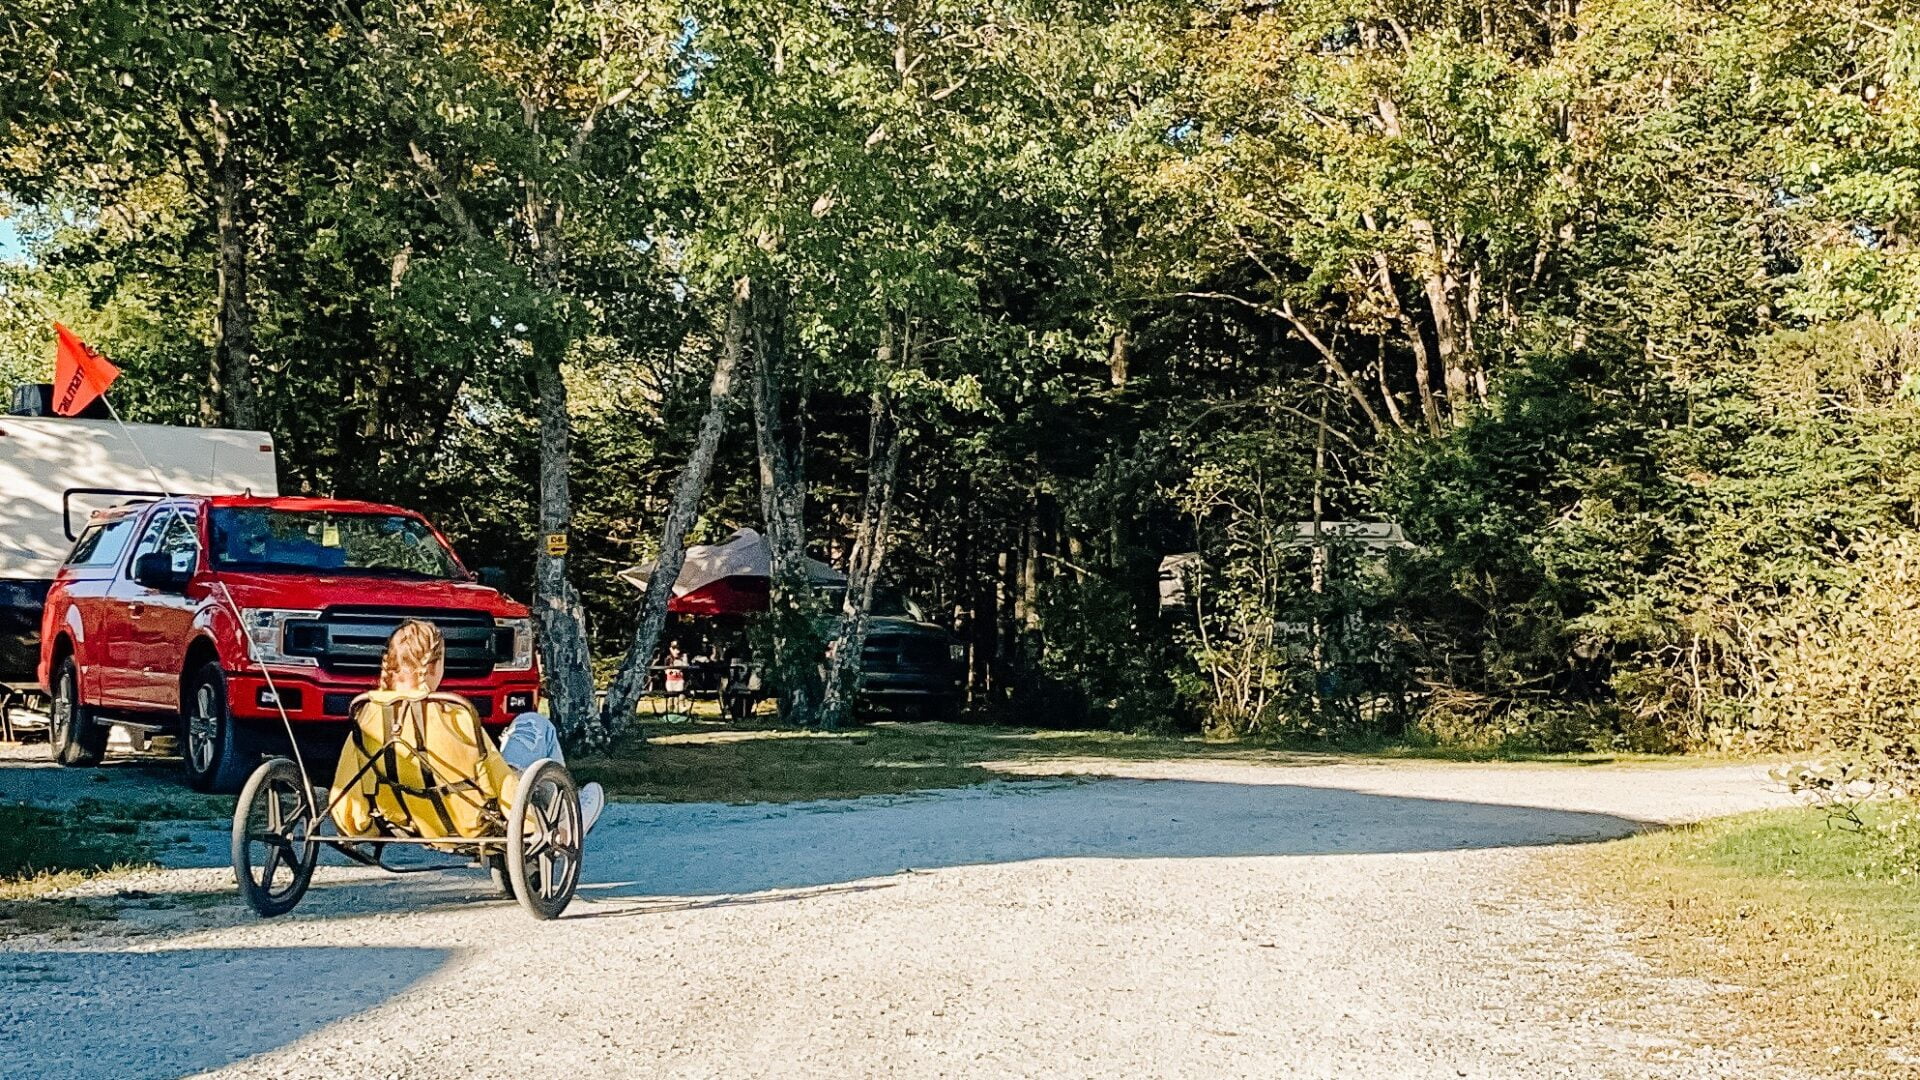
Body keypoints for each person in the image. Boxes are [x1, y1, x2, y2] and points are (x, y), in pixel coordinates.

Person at [330, 619, 604, 839]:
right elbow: (498, 781)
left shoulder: (366, 714)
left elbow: (347, 786)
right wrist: (532, 823)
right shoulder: (455, 715)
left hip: (403, 814)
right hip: (471, 819)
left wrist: (358, 826)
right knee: (535, 725)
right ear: (435, 666)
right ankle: (565, 815)